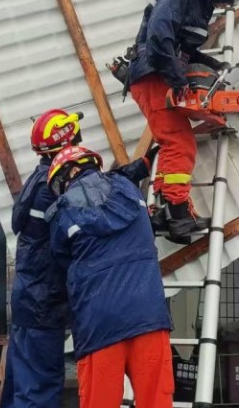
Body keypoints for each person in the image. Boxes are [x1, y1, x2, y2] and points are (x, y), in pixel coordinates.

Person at [127, 0, 239, 243]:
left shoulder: (203, 6)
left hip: (160, 76)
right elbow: (160, 39)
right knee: (179, 142)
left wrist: (214, 63)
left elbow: (186, 50)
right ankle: (178, 215)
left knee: (176, 141)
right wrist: (178, 82)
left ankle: (165, 211)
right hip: (152, 76)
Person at [46, 144, 172, 408]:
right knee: (157, 402)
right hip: (147, 314)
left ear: (70, 173)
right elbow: (122, 177)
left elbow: (61, 261)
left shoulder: (62, 212)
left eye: (60, 181)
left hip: (98, 324)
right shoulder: (129, 189)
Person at [0, 109, 82, 408]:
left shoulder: (38, 179)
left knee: (22, 388)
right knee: (38, 392)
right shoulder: (54, 188)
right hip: (43, 307)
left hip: (28, 303)